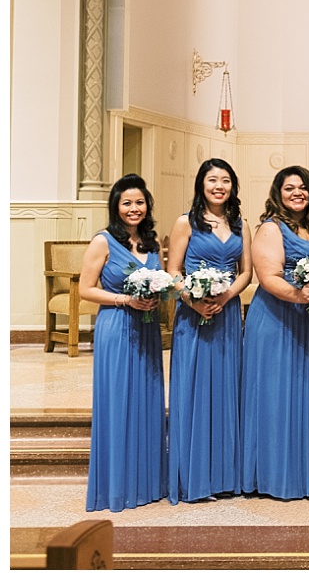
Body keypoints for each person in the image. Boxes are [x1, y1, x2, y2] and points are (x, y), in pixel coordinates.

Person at [165, 159, 253, 504]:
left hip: (228, 313)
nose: (219, 186)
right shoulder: (185, 223)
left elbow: (245, 271)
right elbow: (173, 271)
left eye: (226, 180)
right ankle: (194, 476)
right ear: (201, 183)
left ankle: (224, 476)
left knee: (226, 390)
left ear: (233, 186)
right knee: (195, 389)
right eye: (212, 180)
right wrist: (193, 300)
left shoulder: (240, 224)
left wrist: (228, 294)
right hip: (194, 316)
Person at [241, 165, 309, 499]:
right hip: (278, 320)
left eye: (303, 187)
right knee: (277, 395)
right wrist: (298, 295)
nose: (297, 193)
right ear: (278, 194)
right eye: (289, 188)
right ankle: (275, 475)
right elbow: (268, 277)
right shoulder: (271, 228)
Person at [81, 173, 168, 512]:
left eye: (140, 202)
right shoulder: (102, 241)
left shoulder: (150, 242)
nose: (134, 209)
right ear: (116, 207)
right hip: (117, 327)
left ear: (147, 206)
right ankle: (116, 486)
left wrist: (154, 298)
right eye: (127, 203)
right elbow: (86, 290)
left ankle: (145, 483)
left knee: (146, 402)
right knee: (118, 402)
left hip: (146, 330)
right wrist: (124, 300)